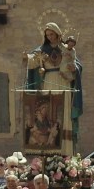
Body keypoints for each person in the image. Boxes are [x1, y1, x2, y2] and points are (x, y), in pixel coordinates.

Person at [24, 22, 77, 153]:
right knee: (49, 107)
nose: (50, 37)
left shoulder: (66, 48)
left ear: (58, 34)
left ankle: (66, 148)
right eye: (47, 35)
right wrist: (27, 57)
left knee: (64, 110)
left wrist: (74, 68)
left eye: (52, 34)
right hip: (48, 80)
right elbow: (33, 60)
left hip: (63, 79)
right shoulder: (42, 49)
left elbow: (75, 63)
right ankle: (50, 146)